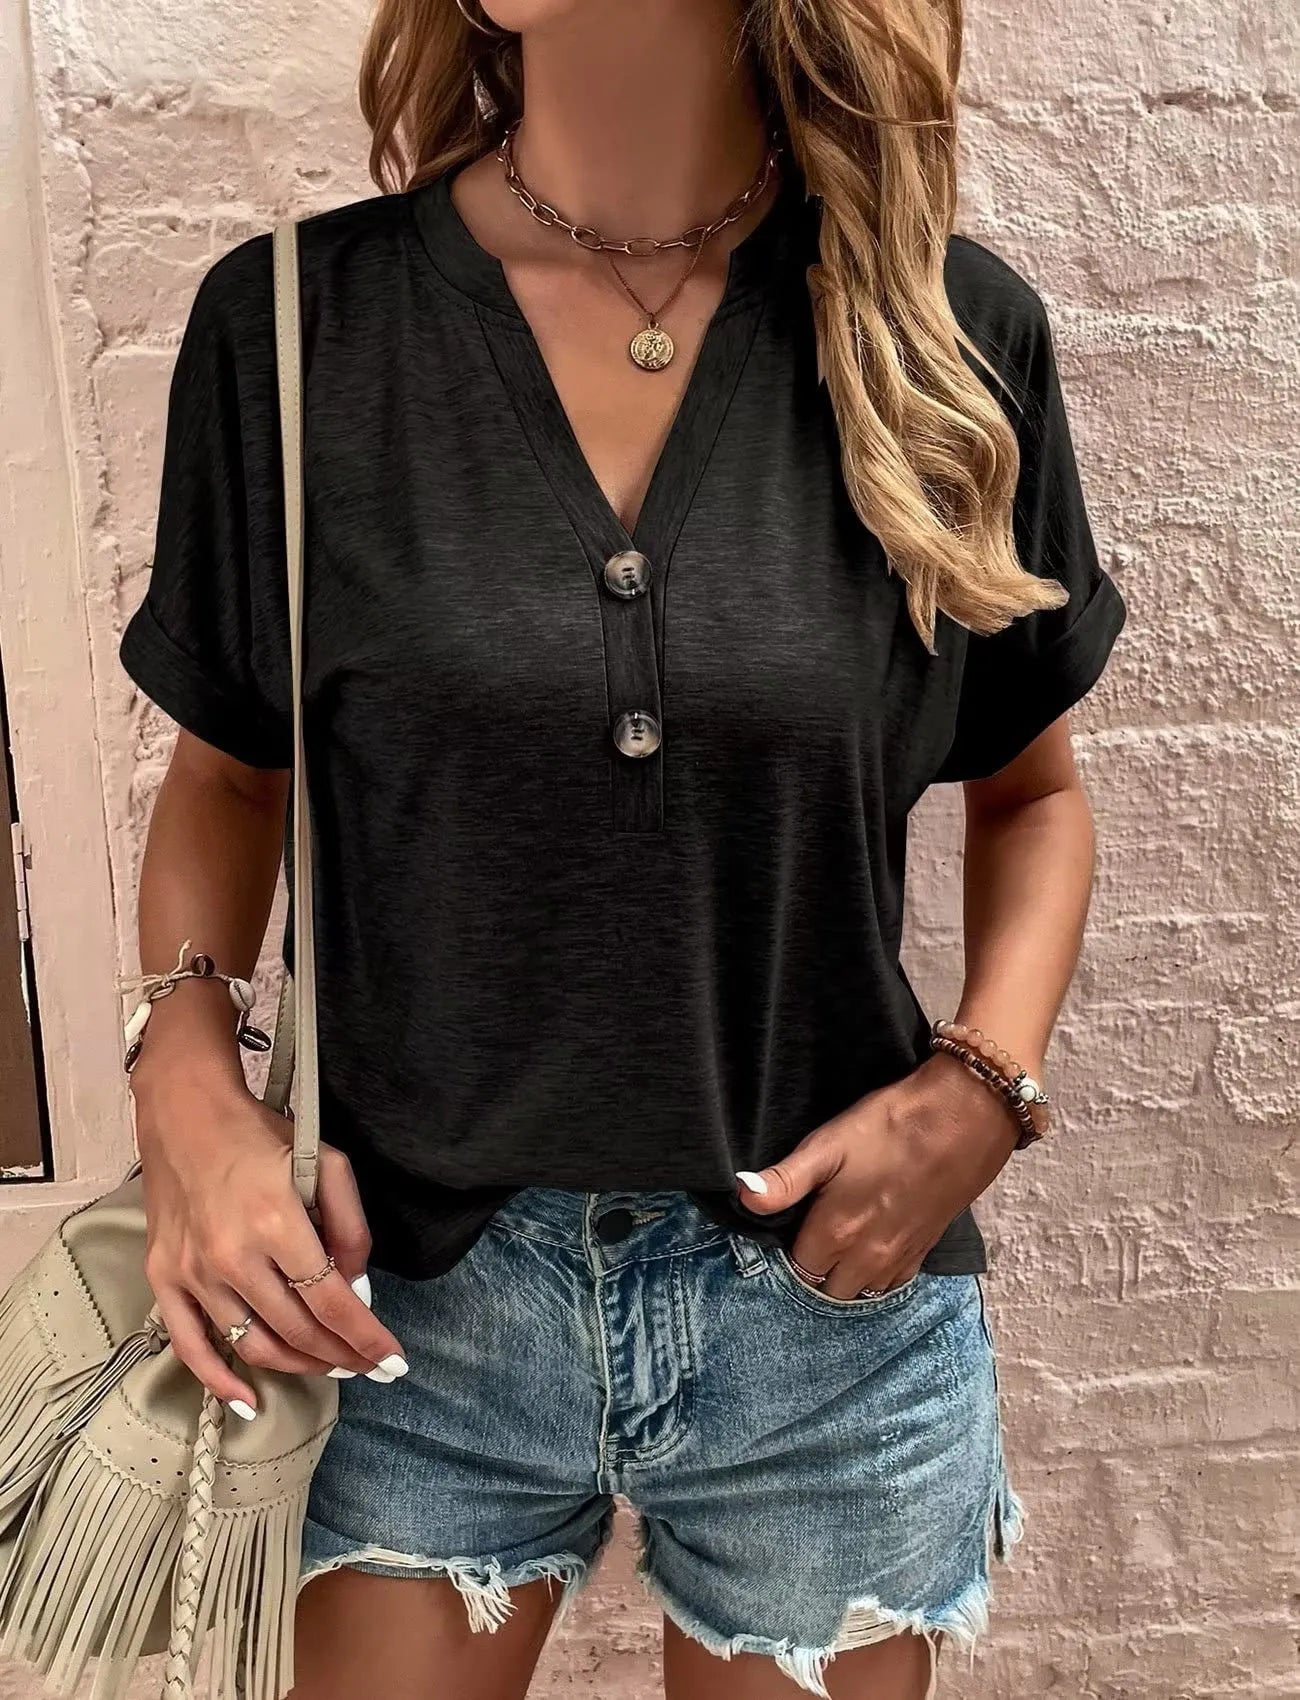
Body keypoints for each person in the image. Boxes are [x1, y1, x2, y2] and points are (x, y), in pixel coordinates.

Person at [118, 0, 1127, 1695]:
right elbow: (227, 777)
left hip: (826, 1311)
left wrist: (982, 1091)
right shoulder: (295, 326)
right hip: (395, 1306)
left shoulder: (944, 333)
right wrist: (190, 1092)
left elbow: (1031, 794)